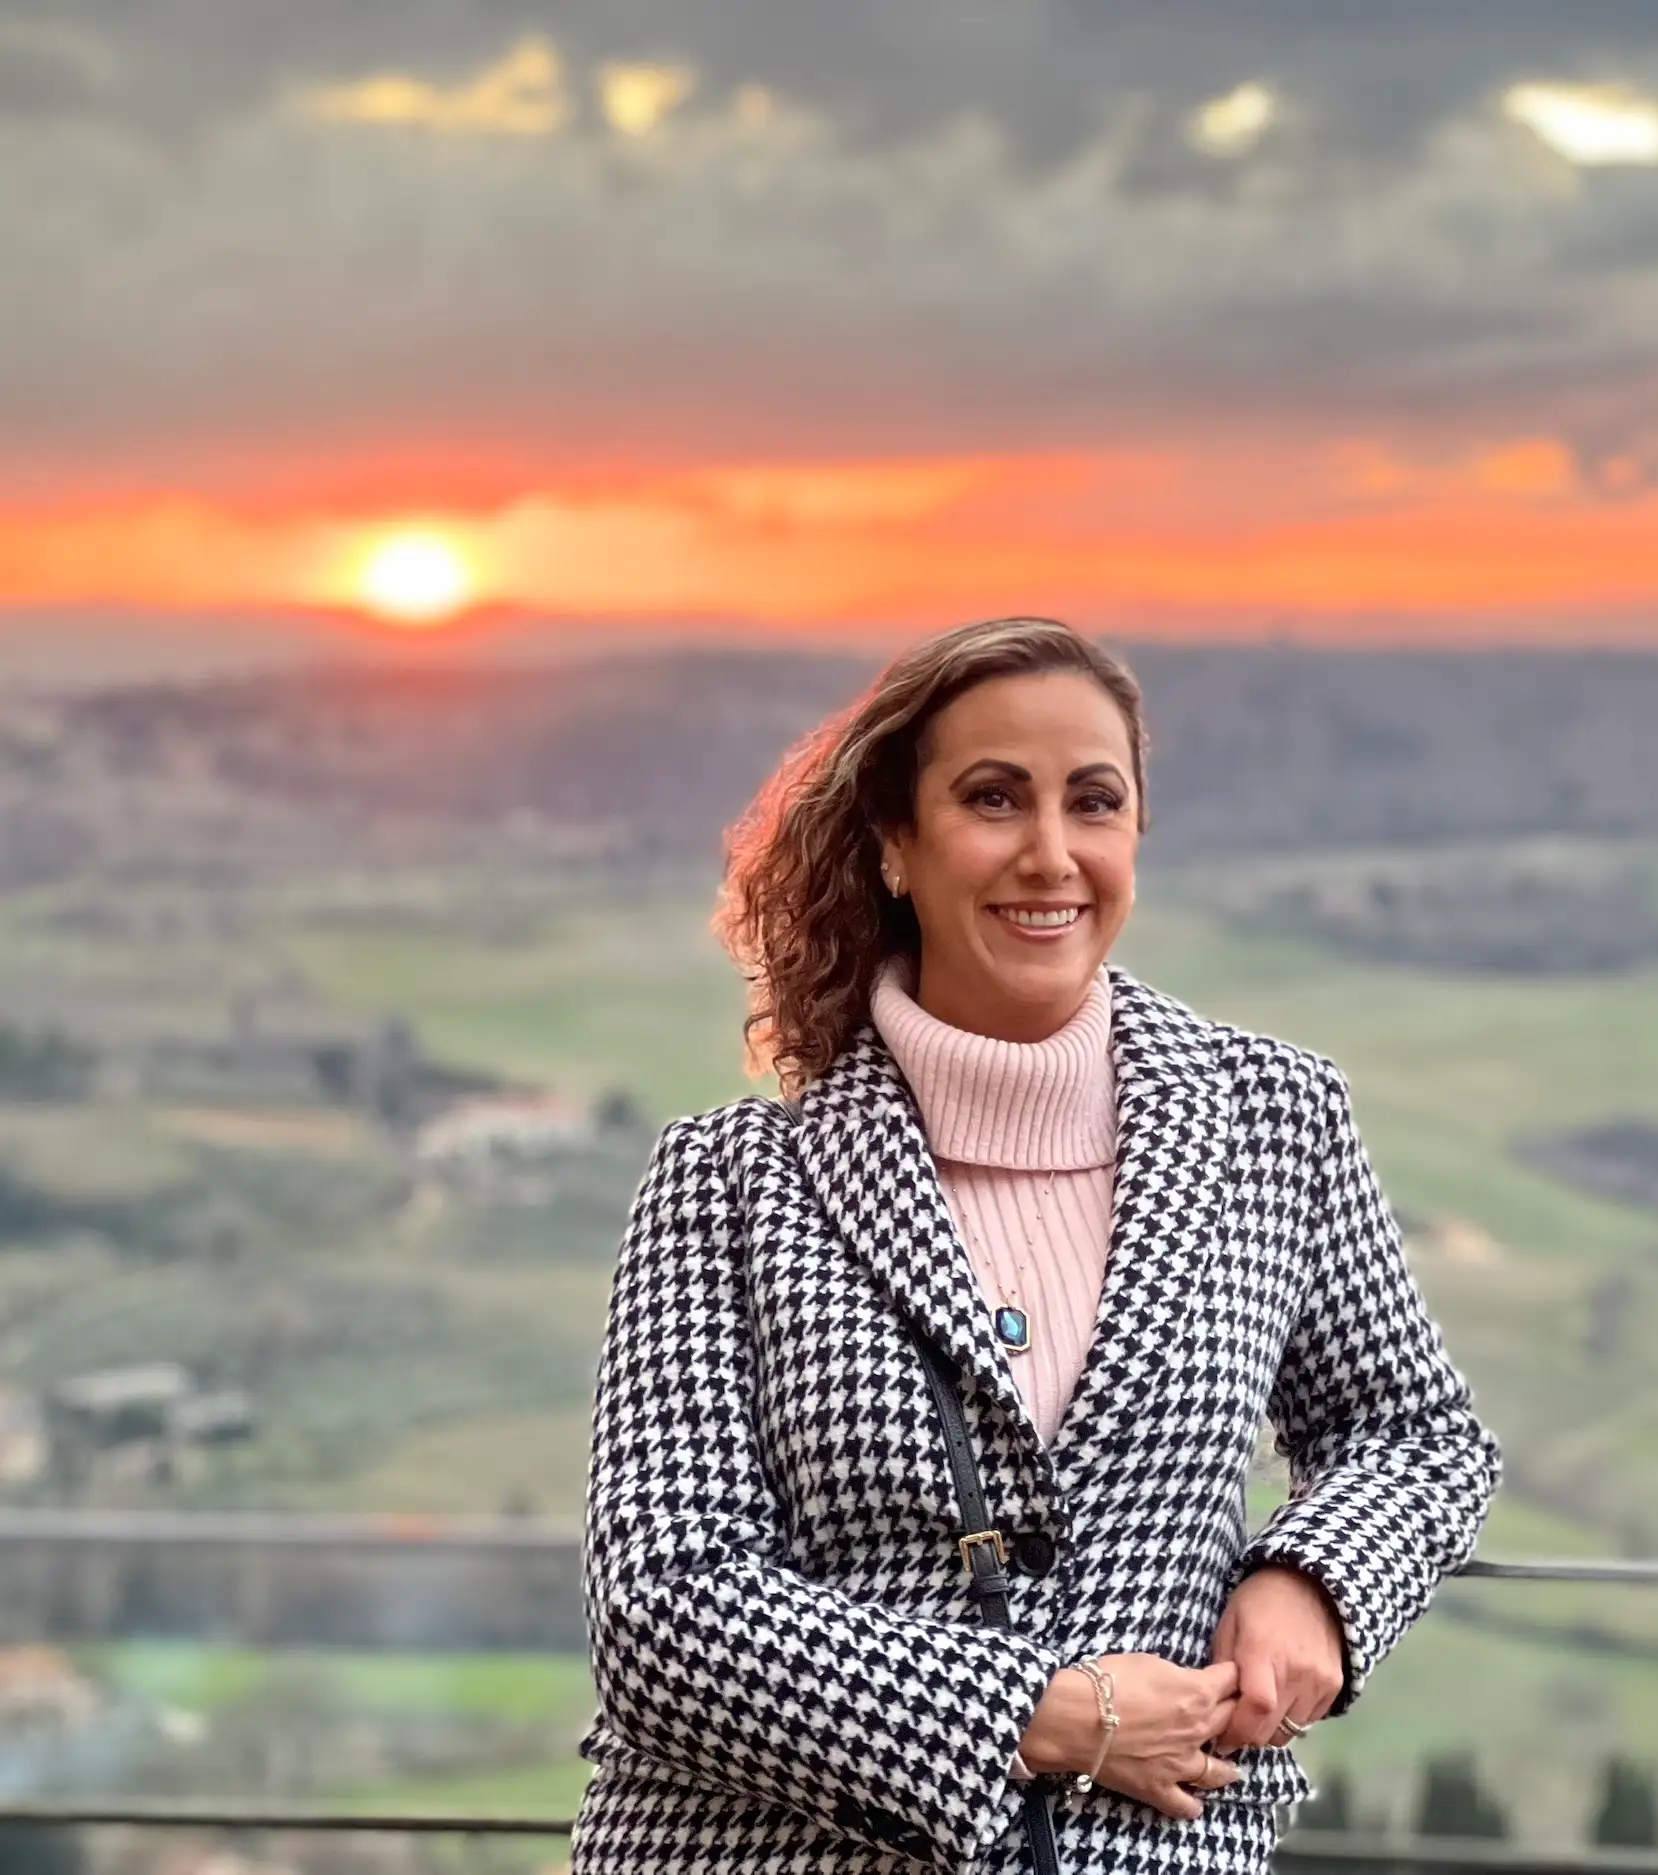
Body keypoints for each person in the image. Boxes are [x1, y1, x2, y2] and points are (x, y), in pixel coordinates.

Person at [569, 617, 1501, 1875]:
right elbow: (658, 1609)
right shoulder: (728, 1184)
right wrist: (1037, 1717)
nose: (1051, 855)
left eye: (1094, 803)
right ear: (897, 844)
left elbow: (1414, 1434)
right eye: (993, 799)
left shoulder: (1276, 1121)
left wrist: (1315, 1583)